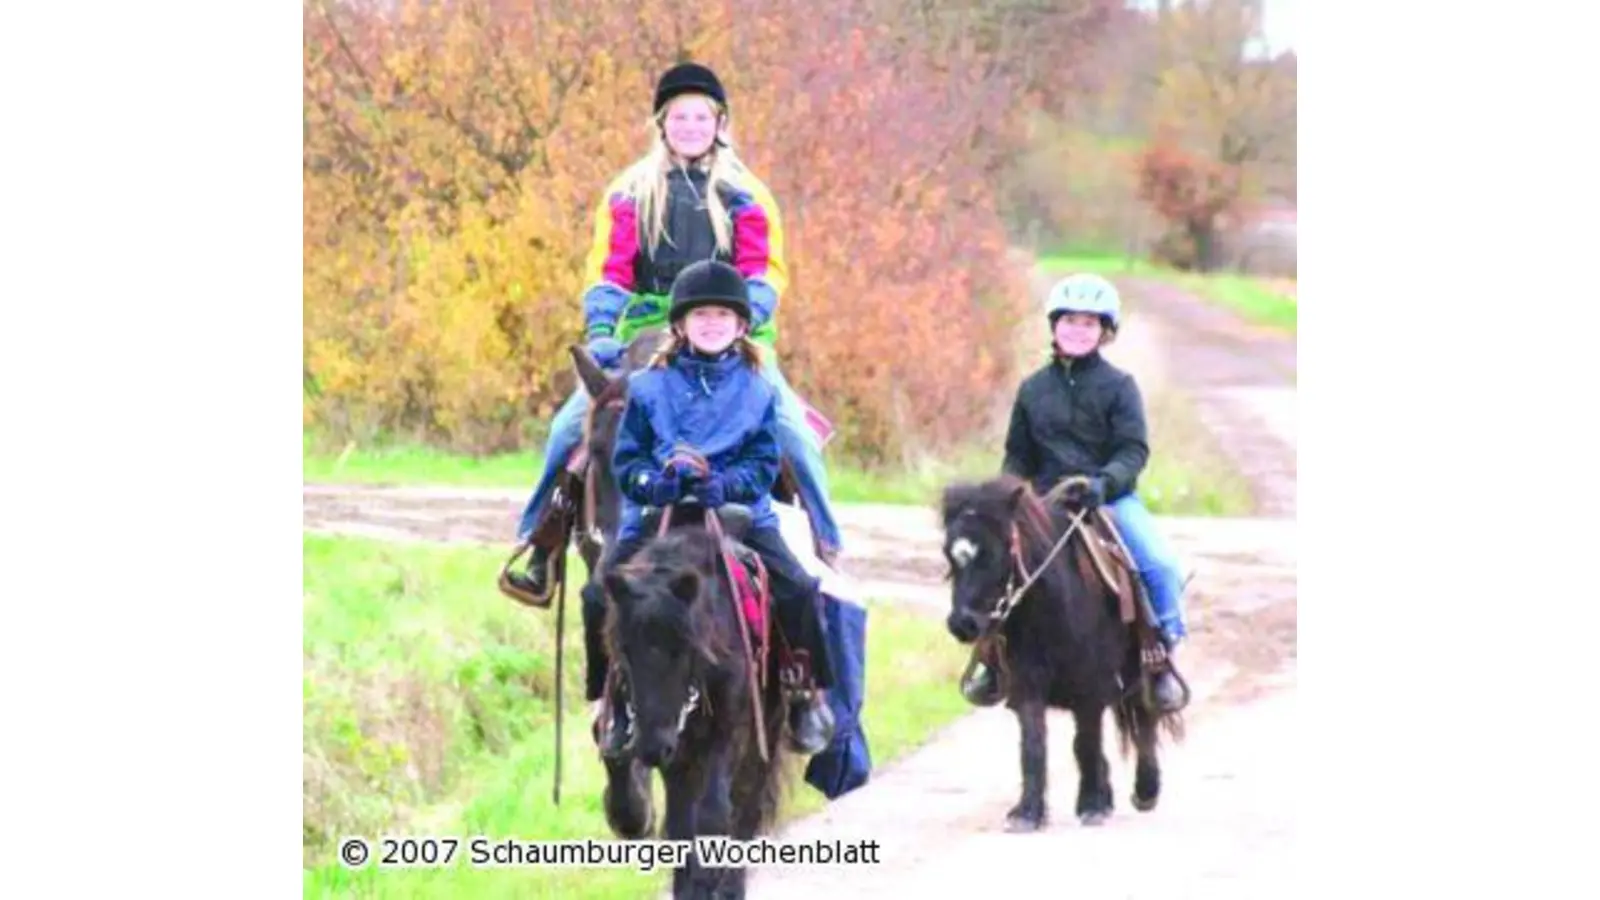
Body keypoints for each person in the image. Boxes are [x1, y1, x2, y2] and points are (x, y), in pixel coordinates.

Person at [504, 61, 843, 604]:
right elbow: (609, 270)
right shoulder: (629, 192)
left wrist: (743, 317)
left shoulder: (747, 194)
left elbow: (763, 271)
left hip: (727, 331)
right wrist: (601, 329)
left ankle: (828, 548)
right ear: (662, 123)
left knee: (792, 434)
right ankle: (539, 545)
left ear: (720, 122)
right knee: (569, 429)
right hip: (646, 334)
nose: (690, 127)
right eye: (679, 117)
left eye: (701, 117)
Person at [589, 259, 836, 759]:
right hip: (659, 514)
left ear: (741, 326)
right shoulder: (647, 388)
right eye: (700, 314)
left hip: (738, 513)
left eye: (723, 315)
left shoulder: (759, 388)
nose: (711, 323)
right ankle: (612, 699)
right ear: (679, 325)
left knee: (801, 589)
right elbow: (628, 460)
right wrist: (654, 484)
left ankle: (802, 692)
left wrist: (724, 486)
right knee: (598, 592)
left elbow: (763, 463)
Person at [963, 273, 1189, 712]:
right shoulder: (1033, 389)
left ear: (1105, 331)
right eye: (1070, 321)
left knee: (1160, 564)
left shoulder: (1120, 386)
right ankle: (990, 658)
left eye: (1089, 323)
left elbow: (1133, 450)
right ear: (1054, 325)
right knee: (988, 561)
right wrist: (1010, 499)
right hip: (1044, 502)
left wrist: (1103, 483)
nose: (1078, 330)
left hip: (1109, 498)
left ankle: (1161, 654)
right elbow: (1017, 457)